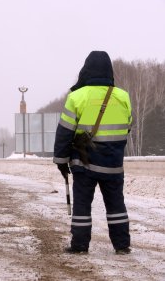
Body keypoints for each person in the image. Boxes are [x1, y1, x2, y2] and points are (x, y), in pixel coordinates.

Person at [53, 51, 132, 255]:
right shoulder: (123, 97)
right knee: (116, 205)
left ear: (86, 70)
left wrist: (61, 160)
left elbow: (65, 132)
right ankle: (122, 245)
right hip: (113, 164)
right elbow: (128, 127)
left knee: (82, 206)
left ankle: (79, 245)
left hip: (84, 163)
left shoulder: (77, 96)